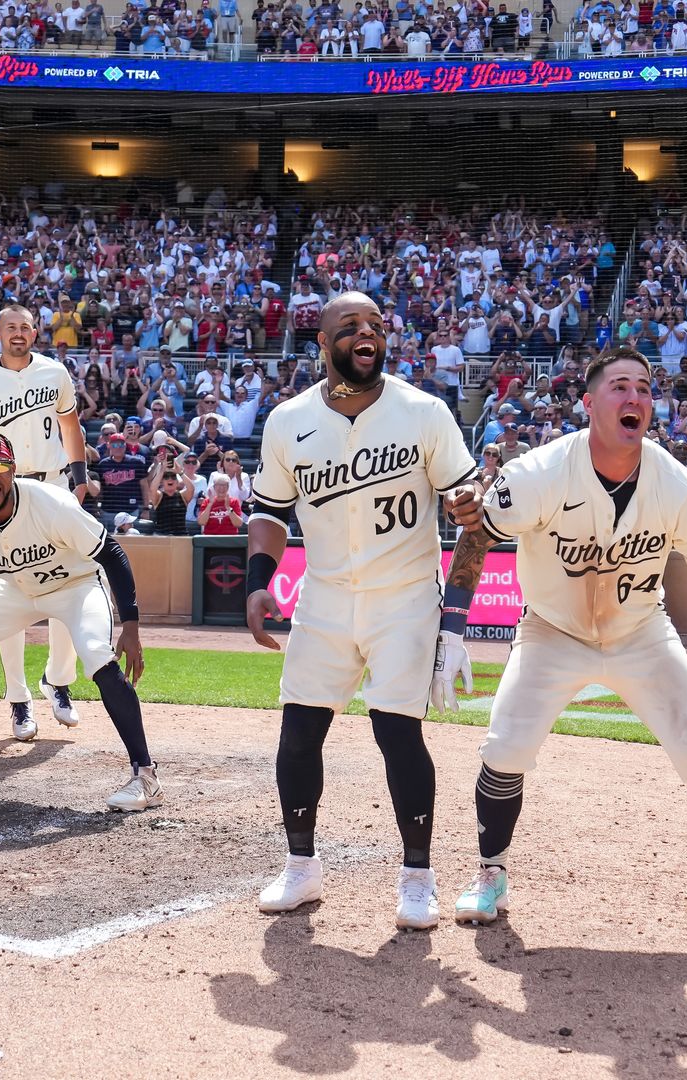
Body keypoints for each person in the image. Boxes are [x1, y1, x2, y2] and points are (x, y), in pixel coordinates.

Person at [439, 347, 687, 937]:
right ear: (589, 403)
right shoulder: (541, 471)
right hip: (550, 630)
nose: (635, 398)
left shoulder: (676, 485)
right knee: (504, 749)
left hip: (640, 631)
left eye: (645, 390)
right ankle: (490, 873)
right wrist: (450, 630)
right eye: (620, 387)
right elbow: (476, 535)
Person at [243, 291, 479, 930]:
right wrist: (259, 581)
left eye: (375, 324)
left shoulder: (425, 413)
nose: (366, 333)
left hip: (403, 597)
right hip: (322, 594)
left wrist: (454, 618)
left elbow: (474, 519)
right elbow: (267, 512)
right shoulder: (288, 420)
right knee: (298, 733)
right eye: (349, 326)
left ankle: (418, 877)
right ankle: (301, 866)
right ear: (322, 344)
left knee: (397, 731)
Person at [0, 433, 158, 810]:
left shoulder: (51, 503)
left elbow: (112, 553)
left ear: (13, 470)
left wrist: (132, 626)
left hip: (75, 585)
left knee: (95, 655)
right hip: (17, 589)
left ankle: (146, 776)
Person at [0, 304, 90, 740]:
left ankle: (59, 679)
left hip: (50, 486)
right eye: (10, 327)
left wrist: (80, 477)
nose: (18, 333)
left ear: (35, 333)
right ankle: (18, 698)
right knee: (10, 597)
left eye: (26, 328)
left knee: (71, 584)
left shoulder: (54, 372)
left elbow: (71, 424)